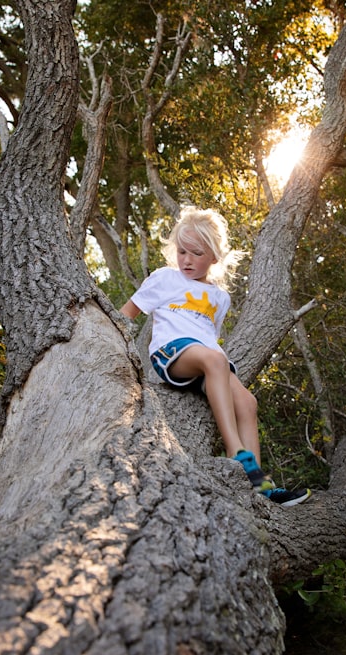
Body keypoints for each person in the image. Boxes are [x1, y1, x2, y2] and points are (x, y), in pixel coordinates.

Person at [120, 206, 311, 507]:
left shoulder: (221, 298)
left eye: (196, 253)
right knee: (215, 360)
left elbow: (209, 335)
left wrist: (214, 370)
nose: (186, 260)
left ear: (213, 256)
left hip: (208, 359)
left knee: (248, 403)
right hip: (171, 353)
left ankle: (259, 484)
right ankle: (237, 454)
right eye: (182, 251)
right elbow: (126, 315)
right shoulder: (165, 278)